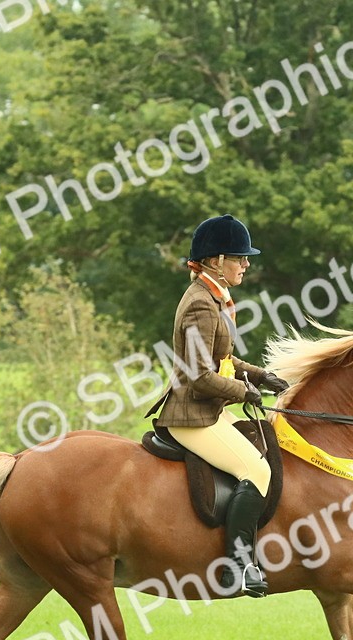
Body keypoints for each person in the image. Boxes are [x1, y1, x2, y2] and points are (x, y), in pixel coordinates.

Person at [146, 214, 289, 598]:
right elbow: (199, 377)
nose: (246, 264)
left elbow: (222, 361)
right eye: (239, 258)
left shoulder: (213, 298)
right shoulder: (199, 305)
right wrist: (245, 394)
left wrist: (260, 376)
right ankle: (238, 568)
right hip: (192, 414)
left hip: (209, 410)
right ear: (215, 261)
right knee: (256, 471)